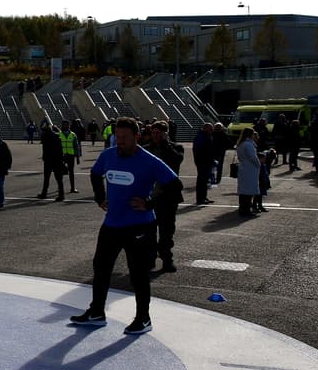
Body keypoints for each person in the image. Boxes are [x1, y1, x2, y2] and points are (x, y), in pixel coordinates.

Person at [69, 117, 180, 336]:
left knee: (138, 274)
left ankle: (143, 318)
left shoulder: (149, 160)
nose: (119, 141)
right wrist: (100, 197)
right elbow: (94, 173)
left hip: (140, 226)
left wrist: (149, 203)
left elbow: (175, 186)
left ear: (136, 137)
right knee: (101, 269)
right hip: (112, 224)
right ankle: (97, 313)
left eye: (124, 138)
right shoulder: (108, 155)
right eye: (117, 137)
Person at [142, 120, 185, 273]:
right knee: (149, 231)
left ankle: (167, 259)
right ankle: (150, 259)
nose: (155, 135)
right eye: (153, 132)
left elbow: (177, 160)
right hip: (150, 196)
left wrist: (166, 144)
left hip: (168, 196)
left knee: (167, 231)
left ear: (166, 133)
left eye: (159, 133)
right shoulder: (146, 149)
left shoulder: (175, 148)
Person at [235, 128, 262, 217]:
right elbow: (253, 157)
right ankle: (246, 210)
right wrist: (258, 164)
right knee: (249, 190)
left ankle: (242, 209)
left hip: (243, 167)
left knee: (243, 190)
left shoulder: (241, 144)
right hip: (250, 168)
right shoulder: (248, 144)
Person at [37, 124, 65, 201]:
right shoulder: (57, 136)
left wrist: (44, 157)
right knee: (59, 179)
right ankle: (61, 194)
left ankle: (44, 193)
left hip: (48, 160)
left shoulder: (45, 137)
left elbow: (45, 149)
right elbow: (60, 150)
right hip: (57, 160)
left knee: (46, 178)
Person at [192, 122, 216, 205]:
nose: (211, 130)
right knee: (201, 180)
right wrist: (199, 161)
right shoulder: (200, 137)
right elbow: (197, 150)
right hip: (202, 162)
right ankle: (200, 199)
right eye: (210, 129)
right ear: (205, 128)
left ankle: (204, 197)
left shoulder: (207, 136)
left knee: (205, 180)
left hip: (207, 161)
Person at [59, 119, 81, 194]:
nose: (65, 126)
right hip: (62, 156)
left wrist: (77, 157)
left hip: (71, 156)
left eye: (67, 125)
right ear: (62, 125)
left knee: (71, 172)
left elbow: (76, 146)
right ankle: (60, 188)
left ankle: (72, 188)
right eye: (64, 125)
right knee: (60, 172)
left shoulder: (73, 134)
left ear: (69, 126)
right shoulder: (58, 134)